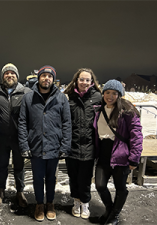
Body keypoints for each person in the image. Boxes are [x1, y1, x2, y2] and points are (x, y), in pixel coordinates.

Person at [18, 65, 72, 222]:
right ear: (39, 78)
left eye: (49, 76)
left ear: (53, 80)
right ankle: (39, 204)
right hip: (35, 145)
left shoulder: (61, 98)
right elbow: (22, 122)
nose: (46, 78)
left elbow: (67, 123)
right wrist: (24, 145)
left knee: (51, 177)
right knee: (37, 177)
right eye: (43, 76)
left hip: (54, 145)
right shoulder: (28, 98)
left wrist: (65, 145)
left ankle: (50, 203)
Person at [93, 79, 143, 225]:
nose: (110, 96)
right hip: (103, 153)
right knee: (100, 185)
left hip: (121, 155)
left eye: (114, 93)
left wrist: (134, 157)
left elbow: (136, 135)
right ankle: (109, 209)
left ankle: (114, 215)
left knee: (120, 187)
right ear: (103, 93)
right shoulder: (99, 110)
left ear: (119, 95)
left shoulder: (127, 111)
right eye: (107, 92)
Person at [63, 68, 102, 219]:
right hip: (72, 145)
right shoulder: (69, 97)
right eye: (81, 79)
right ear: (76, 80)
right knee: (73, 176)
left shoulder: (98, 97)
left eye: (87, 80)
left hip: (89, 146)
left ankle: (85, 202)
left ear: (92, 82)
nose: (84, 82)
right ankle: (76, 201)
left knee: (85, 178)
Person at [0, 63, 31, 208]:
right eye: (6, 73)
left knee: (19, 166)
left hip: (19, 137)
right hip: (1, 137)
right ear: (3, 76)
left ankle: (20, 192)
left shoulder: (26, 92)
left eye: (12, 73)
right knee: (2, 165)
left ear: (17, 76)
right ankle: (1, 192)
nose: (9, 75)